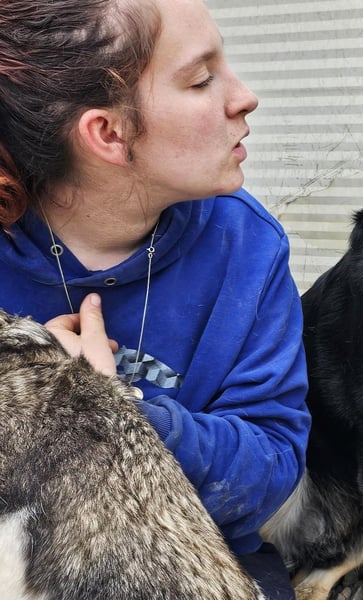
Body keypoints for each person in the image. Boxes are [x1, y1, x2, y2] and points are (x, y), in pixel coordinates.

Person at [0, 0, 310, 597]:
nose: (244, 96)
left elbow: (269, 469)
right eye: (201, 78)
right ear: (109, 133)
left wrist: (113, 410)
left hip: (191, 550)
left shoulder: (245, 246)